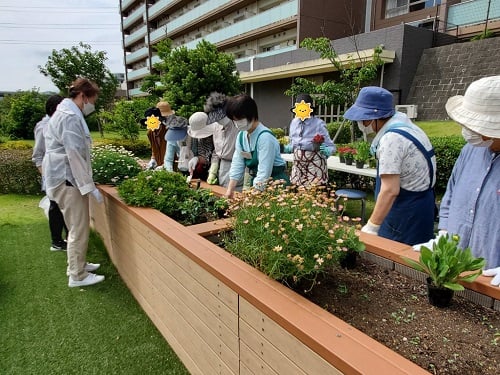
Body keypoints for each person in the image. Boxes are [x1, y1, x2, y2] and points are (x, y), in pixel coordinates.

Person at [414, 76, 500, 286]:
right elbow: (452, 191)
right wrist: (443, 232)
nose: (469, 131)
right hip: (456, 270)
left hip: (491, 276)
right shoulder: (470, 150)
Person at [343, 86, 436, 246]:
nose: (361, 123)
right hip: (423, 206)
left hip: (405, 214)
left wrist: (372, 226)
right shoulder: (410, 128)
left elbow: (390, 189)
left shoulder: (392, 139)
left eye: (362, 118)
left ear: (375, 117)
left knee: (399, 260)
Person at [43, 77, 105, 288]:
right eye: (92, 100)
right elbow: (74, 154)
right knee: (78, 227)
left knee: (75, 225)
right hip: (67, 179)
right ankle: (77, 275)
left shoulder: (66, 112)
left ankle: (78, 264)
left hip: (64, 177)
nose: (92, 105)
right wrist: (89, 187)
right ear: (82, 96)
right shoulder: (69, 116)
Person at [224, 94, 289, 198]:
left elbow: (264, 172)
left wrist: (252, 197)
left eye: (239, 119)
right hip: (258, 184)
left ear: (252, 115)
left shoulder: (265, 138)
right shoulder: (241, 136)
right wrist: (230, 190)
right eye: (234, 120)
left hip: (275, 184)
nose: (237, 123)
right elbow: (237, 164)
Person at [32, 94, 68, 251]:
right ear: (55, 109)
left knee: (66, 208)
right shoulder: (44, 126)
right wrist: (46, 177)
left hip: (64, 174)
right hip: (53, 175)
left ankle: (69, 239)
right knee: (55, 207)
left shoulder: (58, 123)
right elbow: (38, 155)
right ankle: (57, 241)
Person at [188, 92, 241, 187]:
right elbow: (216, 152)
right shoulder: (216, 127)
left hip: (238, 169)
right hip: (222, 169)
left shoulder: (238, 127)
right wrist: (213, 171)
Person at [284, 93, 335, 186]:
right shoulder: (294, 123)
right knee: (298, 192)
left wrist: (327, 150)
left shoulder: (318, 124)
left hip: (315, 163)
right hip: (298, 164)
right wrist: (288, 147)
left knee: (314, 192)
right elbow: (292, 142)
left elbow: (331, 147)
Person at [143, 101, 173, 169]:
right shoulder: (150, 133)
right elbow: (154, 148)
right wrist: (153, 158)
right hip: (159, 164)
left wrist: (166, 164)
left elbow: (174, 151)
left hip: (171, 165)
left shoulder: (169, 131)